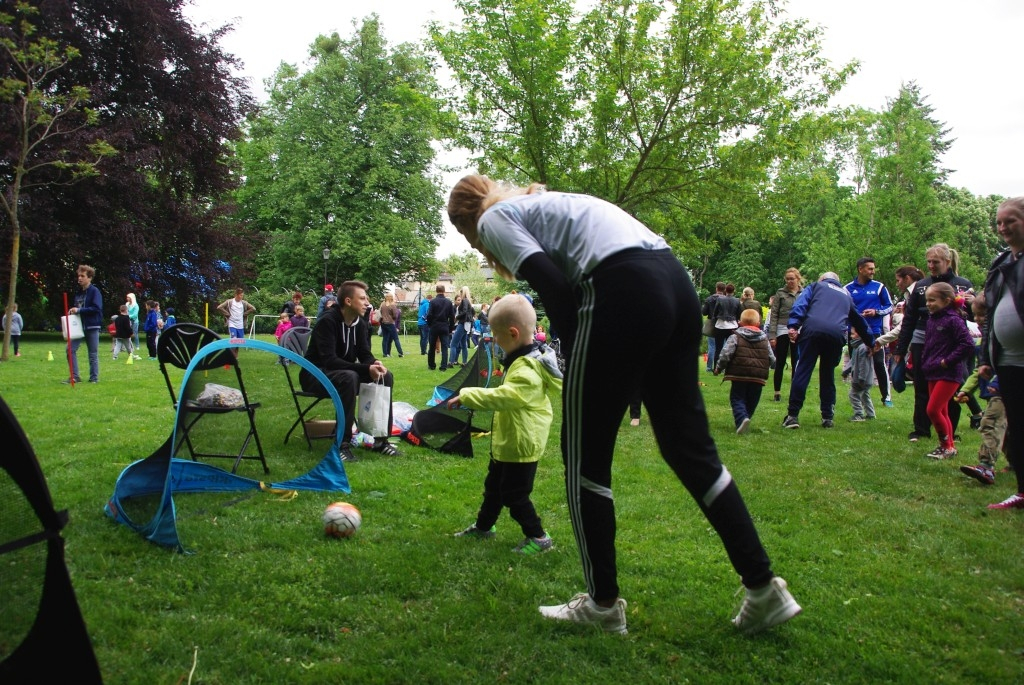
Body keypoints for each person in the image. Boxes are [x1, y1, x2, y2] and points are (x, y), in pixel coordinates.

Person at [447, 174, 800, 636]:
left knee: (584, 462)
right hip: (674, 284)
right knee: (689, 450)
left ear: (467, 223)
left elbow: (555, 289)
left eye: (469, 241)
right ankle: (763, 588)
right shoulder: (546, 203)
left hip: (621, 288)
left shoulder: (494, 218)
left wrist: (577, 365)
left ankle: (602, 603)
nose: (479, 248)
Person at [448, 294, 563, 555]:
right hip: (507, 442)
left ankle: (539, 536)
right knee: (493, 489)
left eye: (496, 336)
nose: (494, 341)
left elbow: (507, 396)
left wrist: (468, 395)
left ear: (512, 333)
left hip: (521, 445)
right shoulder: (521, 360)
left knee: (514, 495)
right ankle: (484, 527)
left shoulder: (527, 369)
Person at [300, 280, 400, 460]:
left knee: (386, 376)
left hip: (342, 373)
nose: (367, 303)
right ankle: (342, 444)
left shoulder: (360, 324)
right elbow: (329, 361)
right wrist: (366, 368)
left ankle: (381, 441)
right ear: (348, 301)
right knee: (350, 377)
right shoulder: (327, 321)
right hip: (315, 375)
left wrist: (375, 364)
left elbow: (364, 354)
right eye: (362, 299)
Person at [894, 244, 973, 443]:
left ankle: (950, 431)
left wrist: (971, 302)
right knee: (922, 385)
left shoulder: (962, 285)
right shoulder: (921, 286)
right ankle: (921, 429)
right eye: (928, 261)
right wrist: (901, 349)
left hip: (952, 340)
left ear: (947, 262)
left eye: (935, 262)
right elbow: (909, 319)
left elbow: (972, 314)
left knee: (951, 387)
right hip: (924, 338)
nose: (930, 265)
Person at [976, 197, 1024, 510]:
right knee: (1018, 427)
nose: (1003, 227)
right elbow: (990, 310)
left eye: (1011, 220)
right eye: (999, 222)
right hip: (1007, 357)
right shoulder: (1002, 262)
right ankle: (1022, 492)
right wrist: (986, 357)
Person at [782, 272, 873, 429]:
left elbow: (801, 304)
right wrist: (870, 342)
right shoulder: (846, 294)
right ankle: (827, 417)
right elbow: (859, 320)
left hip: (812, 331)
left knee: (803, 370)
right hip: (836, 335)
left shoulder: (816, 286)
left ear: (822, 279)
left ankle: (793, 416)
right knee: (828, 375)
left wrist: (793, 325)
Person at [918, 282, 974, 460]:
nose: (928, 304)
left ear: (947, 300)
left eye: (932, 300)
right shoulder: (932, 319)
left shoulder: (953, 320)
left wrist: (947, 361)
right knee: (942, 411)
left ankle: (946, 446)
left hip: (949, 372)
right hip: (932, 370)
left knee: (932, 410)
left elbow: (967, 344)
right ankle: (948, 445)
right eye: (927, 300)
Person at [957, 293, 1006, 485]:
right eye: (975, 315)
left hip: (1002, 390)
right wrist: (966, 389)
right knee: (1007, 431)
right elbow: (979, 370)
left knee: (991, 424)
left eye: (983, 315)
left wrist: (997, 383)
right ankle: (1015, 465)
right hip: (995, 391)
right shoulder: (986, 341)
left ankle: (986, 466)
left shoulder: (1002, 337)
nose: (977, 319)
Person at [715, 308, 774, 434]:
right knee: (753, 399)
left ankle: (742, 418)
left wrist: (719, 367)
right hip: (758, 376)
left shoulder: (735, 337)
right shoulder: (765, 339)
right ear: (758, 324)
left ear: (740, 323)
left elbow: (726, 354)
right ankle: (745, 418)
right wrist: (774, 364)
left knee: (737, 398)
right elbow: (771, 356)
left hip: (739, 374)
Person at [844, 257, 894, 407]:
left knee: (879, 363)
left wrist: (876, 312)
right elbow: (843, 309)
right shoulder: (847, 288)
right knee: (855, 364)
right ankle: (857, 398)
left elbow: (889, 306)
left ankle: (886, 397)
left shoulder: (879, 287)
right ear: (861, 269)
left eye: (873, 269)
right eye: (870, 269)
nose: (873, 271)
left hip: (874, 332)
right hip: (854, 333)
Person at [768, 268, 803, 402]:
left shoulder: (804, 293)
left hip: (799, 329)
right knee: (780, 362)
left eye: (792, 279)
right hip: (782, 329)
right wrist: (772, 335)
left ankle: (794, 392)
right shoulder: (780, 293)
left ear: (798, 279)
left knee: (796, 362)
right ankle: (777, 392)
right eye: (787, 279)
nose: (789, 281)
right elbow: (774, 314)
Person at [65, 264, 103, 384]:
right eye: (78, 276)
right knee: (70, 349)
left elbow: (97, 308)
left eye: (82, 276)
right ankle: (75, 376)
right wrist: (73, 310)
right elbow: (78, 307)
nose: (79, 278)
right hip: (79, 326)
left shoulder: (94, 291)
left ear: (89, 277)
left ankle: (94, 378)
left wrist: (80, 310)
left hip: (92, 326)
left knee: (92, 353)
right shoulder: (79, 292)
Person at [842, 329, 875, 422]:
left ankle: (859, 414)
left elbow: (863, 365)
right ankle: (871, 414)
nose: (851, 336)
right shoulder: (857, 347)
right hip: (865, 379)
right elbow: (853, 361)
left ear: (860, 335)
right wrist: (846, 371)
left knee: (853, 395)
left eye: (852, 334)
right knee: (865, 395)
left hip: (862, 379)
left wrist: (861, 379)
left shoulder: (863, 348)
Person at [217, 288, 256, 356]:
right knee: (233, 339)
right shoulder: (229, 302)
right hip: (232, 323)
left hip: (240, 324)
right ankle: (231, 356)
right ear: (236, 295)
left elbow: (253, 308)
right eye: (240, 295)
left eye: (242, 295)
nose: (241, 297)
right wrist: (227, 314)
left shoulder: (244, 303)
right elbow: (219, 307)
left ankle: (236, 355)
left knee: (239, 341)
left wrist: (245, 314)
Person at [711, 283, 741, 370]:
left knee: (718, 348)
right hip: (732, 326)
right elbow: (739, 314)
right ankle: (729, 368)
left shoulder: (720, 299)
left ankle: (716, 368)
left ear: (725, 291)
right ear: (734, 291)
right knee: (731, 348)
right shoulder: (737, 301)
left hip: (720, 325)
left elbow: (715, 312)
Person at [426, 285, 454, 371]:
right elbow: (452, 317)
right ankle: (443, 366)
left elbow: (429, 315)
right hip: (444, 325)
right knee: (445, 347)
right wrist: (450, 328)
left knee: (432, 346)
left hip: (434, 326)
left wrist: (430, 324)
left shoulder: (433, 302)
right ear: (444, 291)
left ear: (436, 291)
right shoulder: (448, 302)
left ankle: (431, 365)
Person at [449, 287, 474, 367]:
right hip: (466, 324)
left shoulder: (465, 301)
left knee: (453, 344)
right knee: (463, 344)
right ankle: (464, 362)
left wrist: (457, 318)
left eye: (460, 292)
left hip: (462, 324)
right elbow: (472, 312)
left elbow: (464, 311)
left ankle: (451, 362)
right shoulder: (468, 301)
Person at [379, 293, 404, 358]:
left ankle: (385, 353)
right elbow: (395, 315)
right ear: (391, 297)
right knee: (396, 338)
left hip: (383, 323)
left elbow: (380, 313)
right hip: (390, 323)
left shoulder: (382, 304)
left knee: (385, 338)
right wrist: (393, 318)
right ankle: (400, 353)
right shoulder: (392, 305)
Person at [126, 293, 142, 359]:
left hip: (134, 321)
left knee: (135, 333)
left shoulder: (136, 305)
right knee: (127, 333)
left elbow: (135, 315)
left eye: (128, 297)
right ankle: (129, 345)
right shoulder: (127, 304)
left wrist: (128, 316)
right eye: (127, 297)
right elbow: (126, 311)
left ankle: (137, 345)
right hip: (128, 320)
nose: (127, 298)